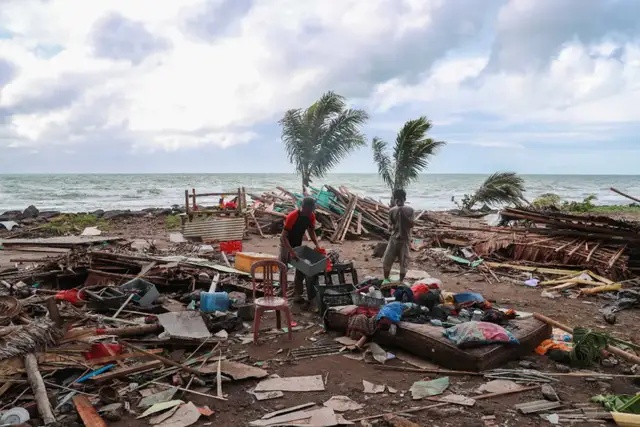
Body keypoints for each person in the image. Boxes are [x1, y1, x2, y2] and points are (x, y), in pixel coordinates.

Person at [279, 197, 321, 303]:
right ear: (303, 207)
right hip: (286, 243)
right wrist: (291, 252)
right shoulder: (292, 216)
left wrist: (317, 244)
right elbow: (284, 236)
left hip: (297, 243)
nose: (310, 212)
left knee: (301, 266)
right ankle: (282, 290)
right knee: (283, 267)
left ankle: (298, 292)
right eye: (309, 209)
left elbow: (311, 231)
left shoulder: (311, 216)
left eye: (312, 209)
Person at [383, 189, 415, 282]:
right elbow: (390, 224)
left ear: (405, 199)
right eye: (397, 200)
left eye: (401, 199)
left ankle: (400, 282)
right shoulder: (392, 211)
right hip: (393, 239)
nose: (399, 202)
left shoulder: (410, 210)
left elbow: (411, 224)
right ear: (394, 200)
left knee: (403, 263)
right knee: (387, 260)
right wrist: (392, 226)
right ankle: (386, 280)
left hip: (405, 240)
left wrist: (403, 216)